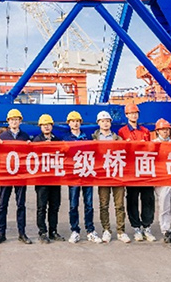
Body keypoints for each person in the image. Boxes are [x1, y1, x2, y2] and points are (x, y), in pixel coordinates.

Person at [118, 103, 155, 242]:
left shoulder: (145, 131)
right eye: (131, 113)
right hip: (131, 171)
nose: (134, 115)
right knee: (132, 199)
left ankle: (147, 226)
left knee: (148, 198)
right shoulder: (122, 132)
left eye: (135, 113)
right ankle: (136, 227)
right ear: (126, 115)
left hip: (145, 170)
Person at [0, 108, 32, 245]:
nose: (14, 122)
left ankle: (22, 233)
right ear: (8, 122)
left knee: (21, 205)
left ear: (20, 121)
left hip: (21, 175)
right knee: (2, 205)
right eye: (12, 120)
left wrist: (30, 146)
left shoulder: (25, 137)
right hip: (6, 175)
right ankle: (1, 233)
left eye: (16, 119)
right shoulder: (3, 137)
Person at [62, 111, 99, 244]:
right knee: (73, 205)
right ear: (69, 123)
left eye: (77, 121)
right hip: (73, 176)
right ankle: (75, 230)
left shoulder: (87, 137)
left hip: (87, 174)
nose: (75, 123)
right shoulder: (66, 139)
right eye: (73, 121)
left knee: (89, 204)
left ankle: (90, 230)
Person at [93, 111, 129, 243]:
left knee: (119, 205)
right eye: (102, 121)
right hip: (102, 176)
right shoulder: (94, 139)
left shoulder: (118, 139)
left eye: (107, 121)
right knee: (104, 205)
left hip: (117, 175)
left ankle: (121, 231)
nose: (105, 123)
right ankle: (106, 230)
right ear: (98, 123)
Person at [33, 114, 64, 243]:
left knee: (54, 206)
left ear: (52, 126)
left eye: (48, 124)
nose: (46, 127)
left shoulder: (57, 140)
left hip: (55, 179)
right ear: (40, 127)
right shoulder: (36, 141)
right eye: (44, 125)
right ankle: (42, 232)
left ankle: (53, 231)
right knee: (42, 207)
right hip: (42, 180)